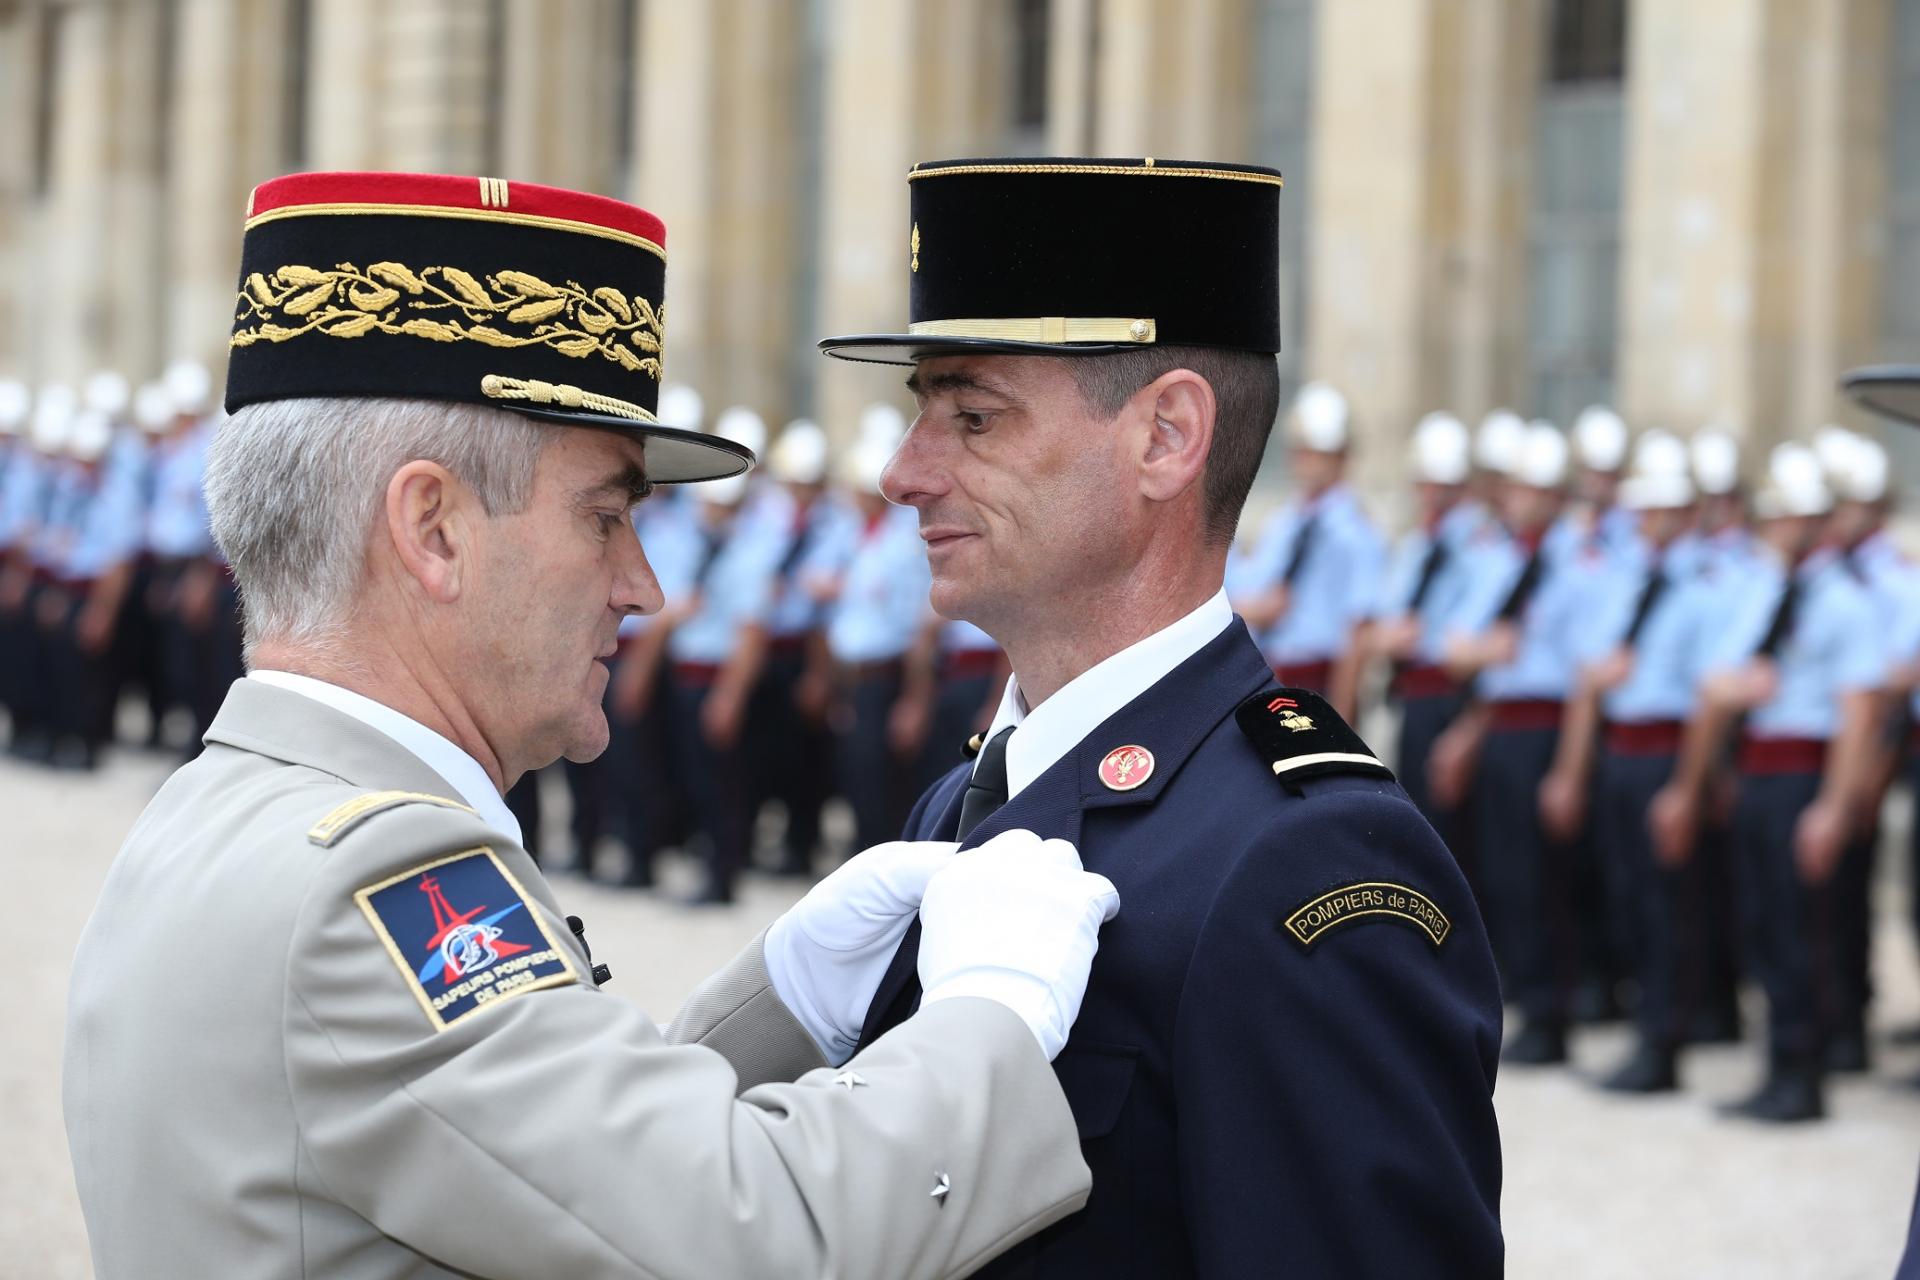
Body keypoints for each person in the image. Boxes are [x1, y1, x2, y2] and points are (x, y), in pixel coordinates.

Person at [64, 170, 1123, 1278]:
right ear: (433, 528)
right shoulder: (376, 882)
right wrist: (990, 1017)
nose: (642, 583)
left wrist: (785, 997)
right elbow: (748, 1239)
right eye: (605, 515)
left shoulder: (218, 805)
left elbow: (530, 1167)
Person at [819, 156, 1502, 1276]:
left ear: (1167, 438)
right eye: (920, 412)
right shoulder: (976, 792)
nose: (904, 470)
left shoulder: (1302, 861)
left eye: (973, 415)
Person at [1648, 443, 1885, 1122]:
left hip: (1803, 774)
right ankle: (1779, 1063)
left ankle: (1802, 1073)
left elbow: (1859, 712)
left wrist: (1834, 808)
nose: (1779, 528)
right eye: (1775, 517)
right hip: (1757, 771)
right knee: (1761, 923)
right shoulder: (1764, 587)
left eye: (1794, 517)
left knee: (1797, 930)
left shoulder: (1844, 599)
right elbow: (1722, 681)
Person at [1537, 434, 1721, 1092]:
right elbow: (1591, 680)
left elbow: (1707, 700)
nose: (1656, 520)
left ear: (1691, 511)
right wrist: (1572, 771)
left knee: (1669, 904)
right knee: (1628, 896)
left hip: (1669, 751)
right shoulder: (1619, 575)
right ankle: (1646, 1026)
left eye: (1668, 508)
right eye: (1648, 509)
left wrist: (1685, 789)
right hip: (1620, 751)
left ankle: (1665, 1042)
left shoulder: (1710, 585)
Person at [1227, 380, 1383, 717]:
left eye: (1318, 454)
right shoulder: (1284, 523)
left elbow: (1358, 633)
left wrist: (1343, 716)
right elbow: (1251, 591)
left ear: (1342, 457)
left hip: (1320, 681)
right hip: (1271, 674)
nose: (1306, 463)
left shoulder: (1356, 534)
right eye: (1302, 452)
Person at [1366, 411, 1481, 867]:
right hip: (1411, 693)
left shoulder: (1477, 543)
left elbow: (1466, 637)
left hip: (1451, 695)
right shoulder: (1417, 545)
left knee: (1454, 834)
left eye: (1441, 486)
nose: (1431, 495)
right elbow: (1386, 623)